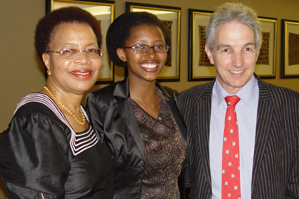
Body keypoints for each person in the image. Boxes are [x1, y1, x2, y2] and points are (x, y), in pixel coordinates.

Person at [177, 2, 299, 199]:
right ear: (210, 53)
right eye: (226, 50)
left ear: (258, 52)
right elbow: (181, 179)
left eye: (247, 49)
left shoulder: (292, 105)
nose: (238, 62)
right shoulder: (185, 103)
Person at [0, 7, 114, 198]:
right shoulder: (37, 122)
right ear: (46, 60)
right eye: (69, 50)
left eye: (91, 50)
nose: (83, 59)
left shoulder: (80, 112)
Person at [85, 12, 188, 199]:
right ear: (122, 53)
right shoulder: (102, 103)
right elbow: (94, 178)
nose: (151, 55)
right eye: (140, 47)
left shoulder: (175, 100)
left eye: (158, 46)